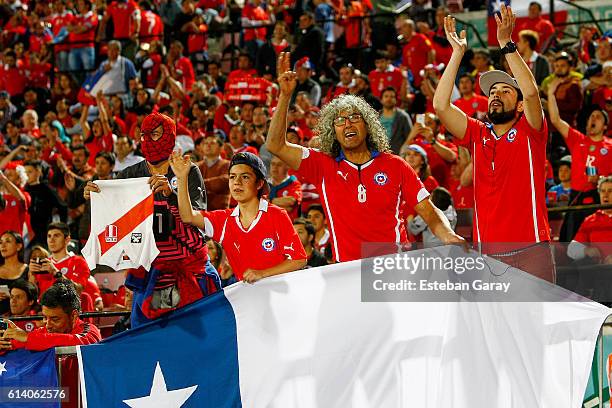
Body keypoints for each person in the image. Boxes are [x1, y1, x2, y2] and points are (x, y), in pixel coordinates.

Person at [267, 53, 464, 262]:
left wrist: (447, 234)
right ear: (332, 130)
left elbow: (428, 210)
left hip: (392, 269)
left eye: (354, 117)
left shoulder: (395, 165)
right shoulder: (320, 164)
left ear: (368, 125)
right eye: (340, 120)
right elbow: (275, 145)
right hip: (348, 272)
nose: (348, 124)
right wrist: (285, 96)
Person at [433, 8, 554, 281]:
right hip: (487, 254)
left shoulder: (531, 130)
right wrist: (456, 55)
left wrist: (506, 44)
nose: (496, 95)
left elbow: (533, 92)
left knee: (534, 324)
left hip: (532, 247)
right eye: (492, 92)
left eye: (505, 90)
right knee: (495, 325)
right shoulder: (477, 133)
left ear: (520, 105)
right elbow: (440, 105)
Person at [84, 112, 220, 327]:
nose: (148, 141)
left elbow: (197, 218)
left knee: (191, 327)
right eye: (144, 135)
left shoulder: (186, 171)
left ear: (169, 136)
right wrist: (97, 198)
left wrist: (172, 194)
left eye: (154, 134)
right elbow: (115, 219)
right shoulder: (130, 174)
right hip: (151, 270)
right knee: (152, 328)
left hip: (186, 265)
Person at [170, 151, 307, 283]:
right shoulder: (224, 220)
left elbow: (299, 259)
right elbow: (188, 216)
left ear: (259, 183)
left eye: (245, 177)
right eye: (232, 177)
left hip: (279, 300)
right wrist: (182, 178)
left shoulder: (277, 215)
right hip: (246, 301)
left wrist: (262, 274)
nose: (237, 182)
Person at [0, 281, 101, 351]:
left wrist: (27, 337)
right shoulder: (43, 332)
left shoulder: (90, 331)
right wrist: (4, 344)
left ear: (73, 315)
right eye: (45, 317)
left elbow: (81, 342)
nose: (48, 325)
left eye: (55, 319)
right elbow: (14, 344)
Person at [567, 176, 612, 264]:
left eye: (610, 191)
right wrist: (586, 250)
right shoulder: (590, 220)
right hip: (597, 269)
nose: (605, 195)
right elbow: (571, 249)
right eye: (602, 191)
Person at [197, 134, 230, 211]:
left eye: (212, 143)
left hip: (220, 213)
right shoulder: (196, 166)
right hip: (199, 213)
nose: (208, 146)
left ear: (221, 147)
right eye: (205, 143)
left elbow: (224, 181)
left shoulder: (228, 164)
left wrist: (199, 184)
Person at [0, 231, 28, 315]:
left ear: (19, 246)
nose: (3, 245)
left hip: (20, 320)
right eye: (0, 242)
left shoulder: (29, 270)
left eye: (8, 241)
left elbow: (33, 298)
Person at [379, 87, 413, 155]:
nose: (389, 99)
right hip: (378, 154)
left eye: (392, 97)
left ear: (396, 100)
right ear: (381, 100)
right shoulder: (375, 116)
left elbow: (410, 137)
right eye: (386, 96)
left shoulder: (403, 116)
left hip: (397, 154)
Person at [269, 156, 302, 220]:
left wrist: (268, 202)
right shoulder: (264, 184)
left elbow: (291, 202)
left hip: (288, 224)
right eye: (273, 164)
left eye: (279, 165)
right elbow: (257, 205)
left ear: (287, 166)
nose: (275, 167)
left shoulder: (294, 183)